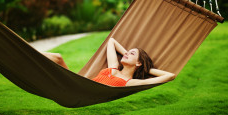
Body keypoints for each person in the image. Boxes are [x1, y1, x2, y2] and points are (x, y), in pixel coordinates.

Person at [42, 38, 175, 87]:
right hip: (77, 84)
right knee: (57, 57)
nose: (127, 53)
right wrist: (127, 54)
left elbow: (170, 76)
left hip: (80, 90)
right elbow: (112, 41)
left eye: (132, 53)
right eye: (127, 52)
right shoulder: (113, 68)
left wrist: (146, 69)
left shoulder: (130, 83)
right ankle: (22, 50)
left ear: (138, 63)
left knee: (58, 57)